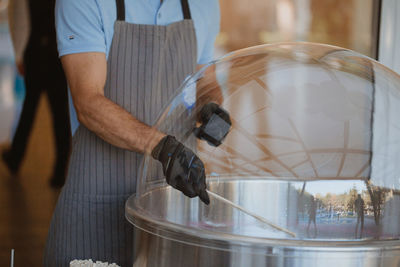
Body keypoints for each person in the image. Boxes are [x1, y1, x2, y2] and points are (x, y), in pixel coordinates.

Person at [43, 0, 230, 266]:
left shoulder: (203, 4)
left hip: (173, 197)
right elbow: (87, 102)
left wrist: (211, 106)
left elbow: (206, 80)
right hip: (99, 190)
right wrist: (163, 148)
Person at [4, 0, 71, 187]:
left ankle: (16, 157)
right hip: (56, 53)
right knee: (58, 113)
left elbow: (19, 21)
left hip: (36, 53)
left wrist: (19, 54)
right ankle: (59, 171)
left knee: (31, 108)